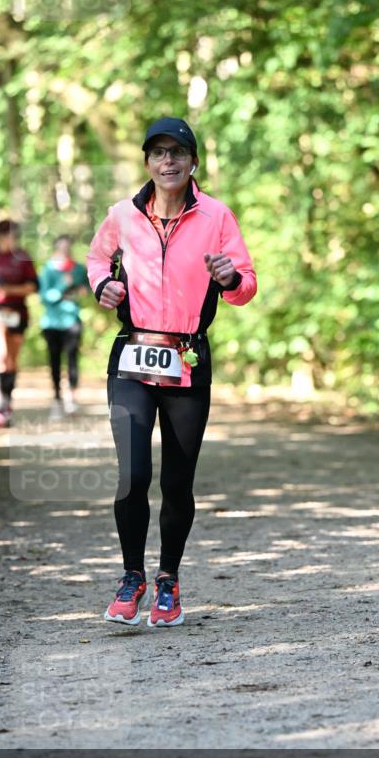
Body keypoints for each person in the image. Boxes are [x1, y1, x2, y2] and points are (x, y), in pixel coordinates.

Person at [88, 117, 256, 628]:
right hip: (132, 358)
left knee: (178, 482)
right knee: (133, 474)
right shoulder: (122, 214)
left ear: (193, 162)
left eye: (178, 152)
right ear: (147, 162)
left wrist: (230, 278)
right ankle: (131, 577)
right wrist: (103, 288)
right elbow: (96, 261)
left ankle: (167, 582)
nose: (168, 161)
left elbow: (245, 283)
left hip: (187, 358)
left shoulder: (216, 216)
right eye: (159, 152)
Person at [0, 220, 38, 427]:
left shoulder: (23, 258)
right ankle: (0, 405)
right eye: (7, 235)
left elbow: (32, 287)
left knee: (11, 361)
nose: (11, 239)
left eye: (14, 235)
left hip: (17, 313)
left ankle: (7, 403)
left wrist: (9, 290)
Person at [39, 234, 87, 418]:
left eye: (68, 248)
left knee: (73, 359)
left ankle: (72, 399)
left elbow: (86, 289)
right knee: (55, 361)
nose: (65, 251)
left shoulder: (78, 269)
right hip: (52, 323)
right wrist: (61, 286)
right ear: (56, 248)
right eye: (62, 248)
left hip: (72, 320)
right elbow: (46, 297)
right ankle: (57, 399)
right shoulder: (48, 270)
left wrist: (81, 291)